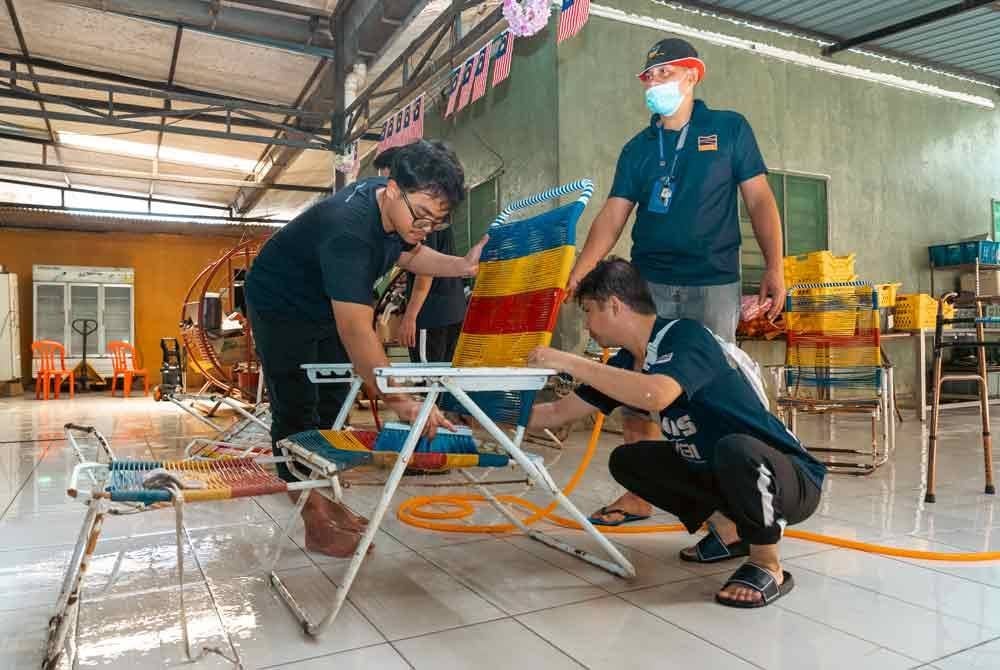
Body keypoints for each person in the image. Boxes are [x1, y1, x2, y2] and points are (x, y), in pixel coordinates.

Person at [569, 38, 787, 526]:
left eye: (665, 73)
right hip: (649, 284)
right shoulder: (638, 149)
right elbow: (614, 213)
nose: (655, 84)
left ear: (693, 75)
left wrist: (775, 265)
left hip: (714, 281)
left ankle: (727, 503)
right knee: (637, 385)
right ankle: (637, 494)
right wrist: (584, 267)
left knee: (712, 390)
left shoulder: (729, 130)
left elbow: (759, 201)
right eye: (648, 77)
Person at [526, 258, 824, 608]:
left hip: (786, 477)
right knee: (629, 461)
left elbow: (657, 393)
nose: (587, 325)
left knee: (736, 448)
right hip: (728, 471)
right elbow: (556, 413)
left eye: (588, 311)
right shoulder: (625, 362)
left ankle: (766, 563)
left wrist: (569, 362)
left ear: (614, 305)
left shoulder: (685, 335)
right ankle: (730, 532)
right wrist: (472, 411)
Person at [246, 140, 487, 557]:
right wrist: (401, 400)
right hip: (280, 304)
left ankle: (326, 497)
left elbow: (410, 255)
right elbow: (357, 329)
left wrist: (463, 265)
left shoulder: (395, 209)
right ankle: (315, 519)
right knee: (298, 407)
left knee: (332, 403)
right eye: (422, 217)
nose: (424, 227)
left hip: (324, 303)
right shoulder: (349, 230)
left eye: (436, 222)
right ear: (393, 189)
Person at [374, 147, 468, 363]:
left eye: (387, 175)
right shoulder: (432, 208)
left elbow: (426, 273)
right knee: (443, 384)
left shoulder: (421, 216)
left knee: (429, 382)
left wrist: (410, 317)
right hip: (451, 310)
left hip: (433, 313)